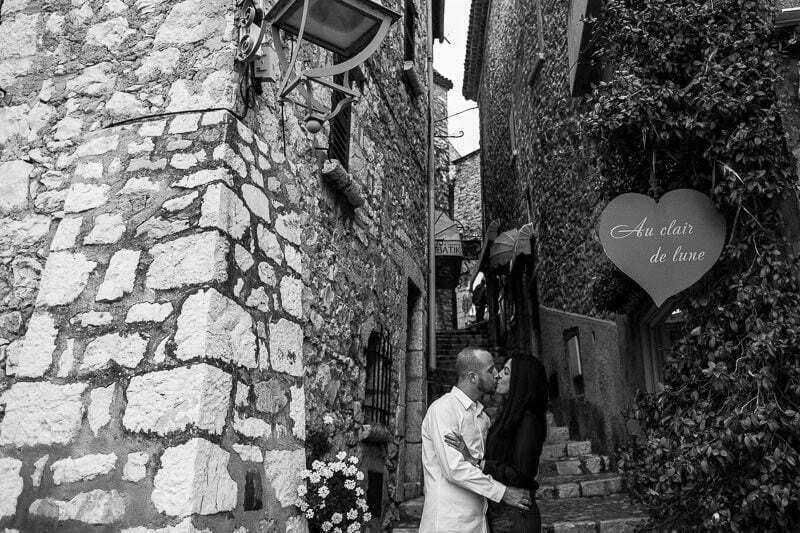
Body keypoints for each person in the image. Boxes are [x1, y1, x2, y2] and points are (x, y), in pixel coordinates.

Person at [419, 346, 533, 533]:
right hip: (449, 522)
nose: (496, 375)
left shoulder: (483, 418)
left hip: (479, 521)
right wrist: (503, 492)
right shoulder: (443, 410)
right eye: (490, 370)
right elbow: (454, 468)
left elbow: (486, 462)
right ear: (472, 377)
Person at [445, 353, 549, 533]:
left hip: (515, 513)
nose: (498, 374)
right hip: (503, 511)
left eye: (506, 372)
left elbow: (522, 473)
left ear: (520, 381)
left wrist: (480, 463)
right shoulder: (511, 416)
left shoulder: (528, 419)